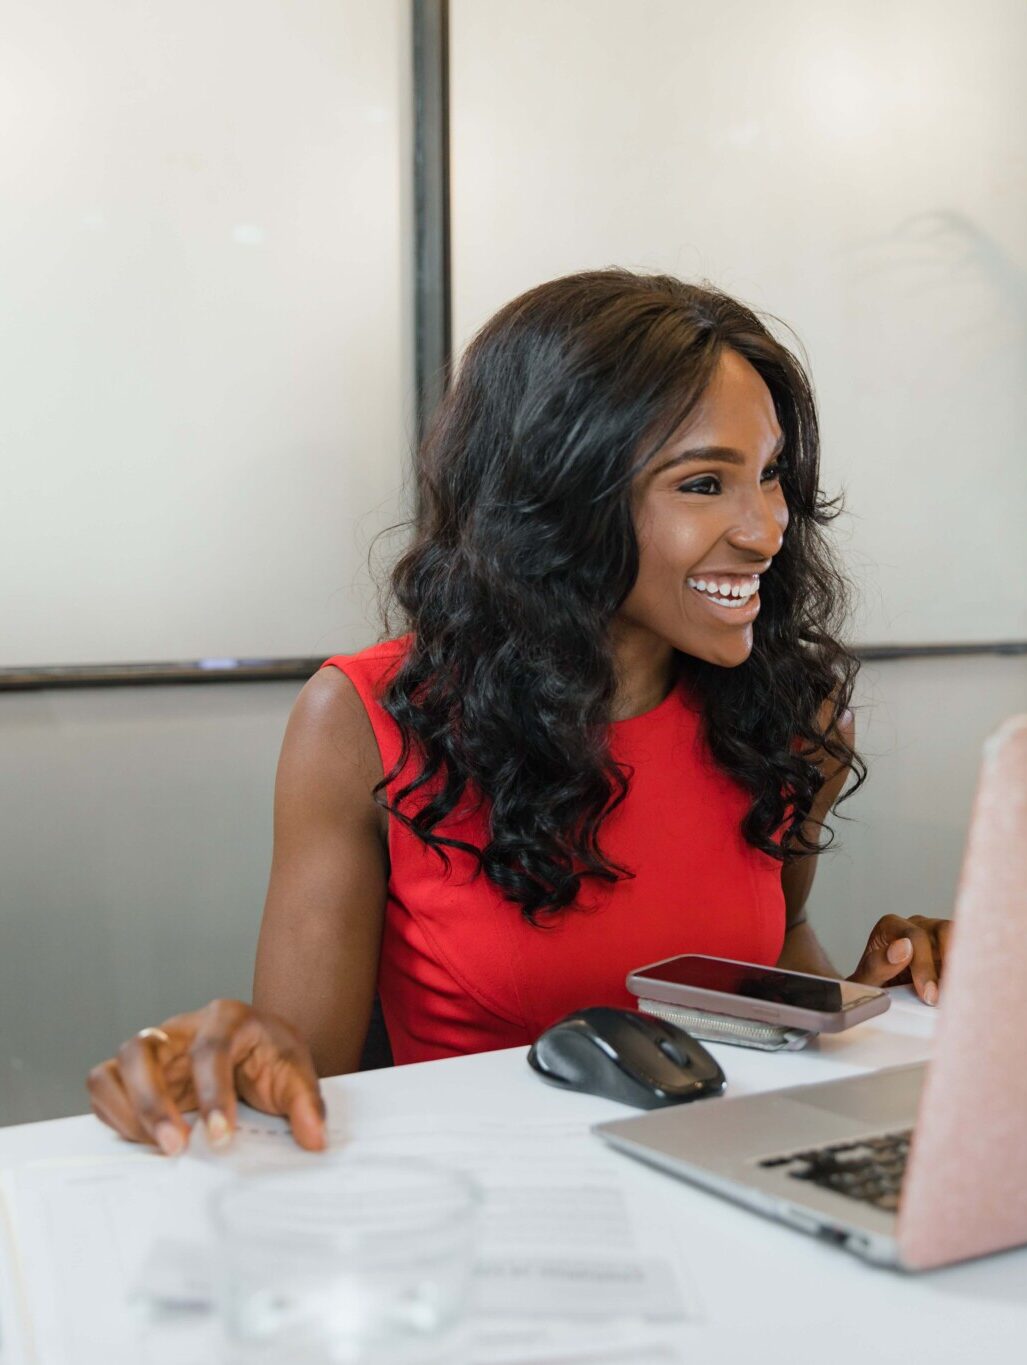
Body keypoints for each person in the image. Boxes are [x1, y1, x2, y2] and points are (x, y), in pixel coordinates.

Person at [86, 269, 952, 1156]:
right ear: (560, 498)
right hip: (482, 1213)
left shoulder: (792, 713)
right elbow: (298, 1076)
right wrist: (227, 1055)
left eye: (770, 476)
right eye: (702, 485)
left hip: (729, 1194)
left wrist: (888, 993)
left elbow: (777, 951)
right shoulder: (362, 722)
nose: (765, 528)